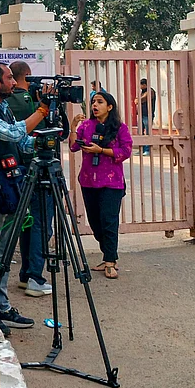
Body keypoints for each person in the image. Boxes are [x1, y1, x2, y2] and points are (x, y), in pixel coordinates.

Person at [0, 61, 49, 329]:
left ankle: (1, 307)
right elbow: (13, 132)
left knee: (3, 254)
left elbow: (22, 141)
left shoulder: (2, 109)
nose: (14, 82)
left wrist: (47, 136)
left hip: (8, 188)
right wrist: (40, 110)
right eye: (9, 78)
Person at [69, 91, 132, 279]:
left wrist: (102, 150)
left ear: (109, 107)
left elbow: (125, 150)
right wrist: (73, 127)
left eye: (100, 102)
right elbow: (73, 146)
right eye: (93, 102)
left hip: (111, 183)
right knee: (96, 222)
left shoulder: (119, 128)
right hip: (88, 181)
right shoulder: (86, 126)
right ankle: (108, 255)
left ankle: (111, 261)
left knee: (108, 221)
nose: (95, 105)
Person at [5, 61, 54, 298]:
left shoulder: (4, 103)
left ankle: (26, 275)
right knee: (41, 223)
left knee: (27, 223)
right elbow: (51, 132)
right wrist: (45, 104)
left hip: (15, 172)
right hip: (36, 169)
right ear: (28, 76)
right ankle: (35, 276)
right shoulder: (31, 103)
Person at [134, 78, 157, 155]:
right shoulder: (142, 92)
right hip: (141, 114)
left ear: (145, 85)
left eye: (141, 85)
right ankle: (142, 149)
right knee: (140, 132)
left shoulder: (150, 91)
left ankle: (147, 150)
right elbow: (137, 100)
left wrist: (138, 100)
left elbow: (141, 99)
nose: (140, 86)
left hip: (148, 114)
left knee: (147, 132)